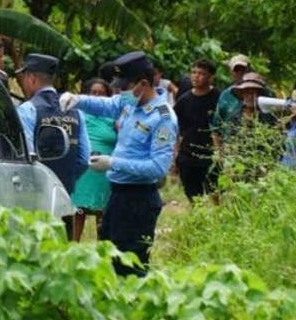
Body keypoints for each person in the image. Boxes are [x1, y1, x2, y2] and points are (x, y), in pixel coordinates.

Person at [59, 51, 178, 277]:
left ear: (143, 84)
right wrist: (78, 99)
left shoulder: (162, 117)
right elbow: (106, 104)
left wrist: (113, 163)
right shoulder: (130, 103)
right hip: (117, 197)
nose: (119, 91)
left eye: (124, 86)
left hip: (139, 200)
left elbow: (158, 167)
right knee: (109, 260)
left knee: (131, 267)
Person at [15, 54, 89, 237]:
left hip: (35, 202)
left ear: (31, 78)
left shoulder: (28, 110)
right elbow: (84, 158)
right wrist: (65, 178)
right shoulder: (75, 111)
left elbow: (25, 157)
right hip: (65, 198)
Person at [70, 78, 116, 241]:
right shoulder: (78, 114)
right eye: (93, 93)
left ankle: (101, 255)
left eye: (101, 93)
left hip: (104, 172)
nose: (97, 96)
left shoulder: (113, 117)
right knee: (78, 213)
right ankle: (72, 252)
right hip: (83, 171)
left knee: (103, 215)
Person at [172, 59, 221, 204]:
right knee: (193, 198)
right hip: (188, 156)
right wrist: (175, 152)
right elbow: (173, 127)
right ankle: (197, 224)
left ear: (210, 77)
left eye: (201, 73)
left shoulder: (219, 98)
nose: (196, 76)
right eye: (194, 72)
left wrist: (222, 153)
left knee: (216, 196)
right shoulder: (184, 100)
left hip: (212, 156)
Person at [211, 54, 273, 150]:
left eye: (243, 69)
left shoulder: (267, 109)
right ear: (231, 72)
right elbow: (216, 127)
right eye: (236, 70)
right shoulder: (226, 97)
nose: (240, 73)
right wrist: (220, 153)